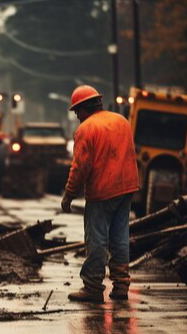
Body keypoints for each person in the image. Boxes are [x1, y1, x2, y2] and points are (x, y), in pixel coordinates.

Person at [61, 85, 139, 303]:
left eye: (77, 111)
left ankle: (93, 287)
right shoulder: (121, 121)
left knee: (97, 239)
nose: (77, 116)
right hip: (127, 187)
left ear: (85, 108)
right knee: (120, 236)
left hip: (102, 191)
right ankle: (121, 285)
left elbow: (80, 167)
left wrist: (69, 195)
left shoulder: (87, 129)